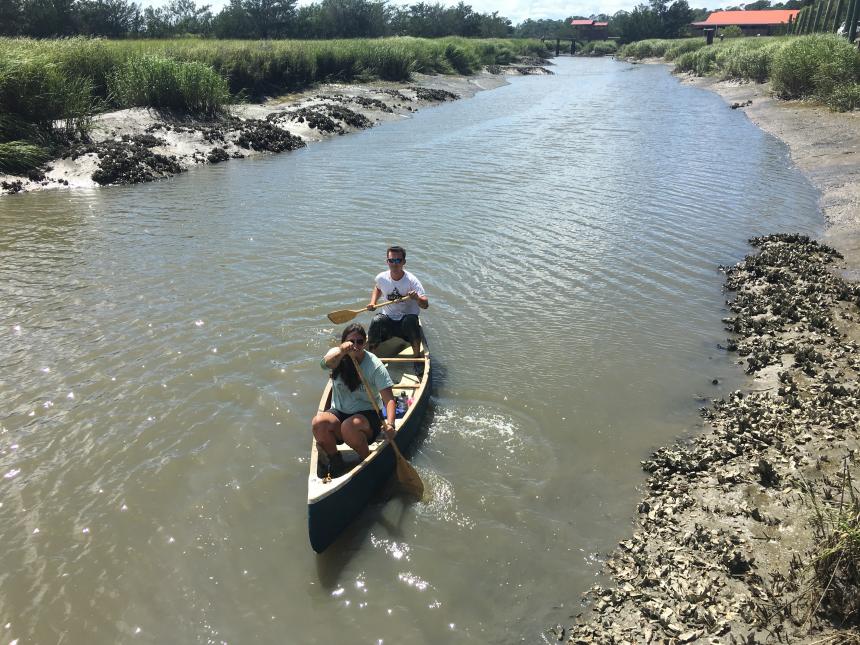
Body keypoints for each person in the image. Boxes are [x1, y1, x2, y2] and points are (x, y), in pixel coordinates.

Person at [312, 323, 397, 479]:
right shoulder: (337, 356)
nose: (356, 346)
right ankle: (336, 461)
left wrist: (391, 424)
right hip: (339, 412)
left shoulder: (374, 365)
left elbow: (389, 399)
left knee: (349, 427)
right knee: (318, 423)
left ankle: (367, 461)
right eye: (352, 342)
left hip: (367, 416)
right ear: (344, 342)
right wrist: (343, 351)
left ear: (365, 342)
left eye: (360, 342)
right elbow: (324, 364)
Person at [367, 246, 429, 367]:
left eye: (398, 260)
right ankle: (371, 359)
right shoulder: (381, 278)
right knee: (376, 321)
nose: (394, 264)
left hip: (406, 322)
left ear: (404, 262)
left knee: (410, 321)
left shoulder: (412, 281)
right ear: (387, 262)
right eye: (391, 260)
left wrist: (417, 298)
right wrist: (373, 302)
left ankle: (417, 359)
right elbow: (377, 288)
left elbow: (425, 305)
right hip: (388, 320)